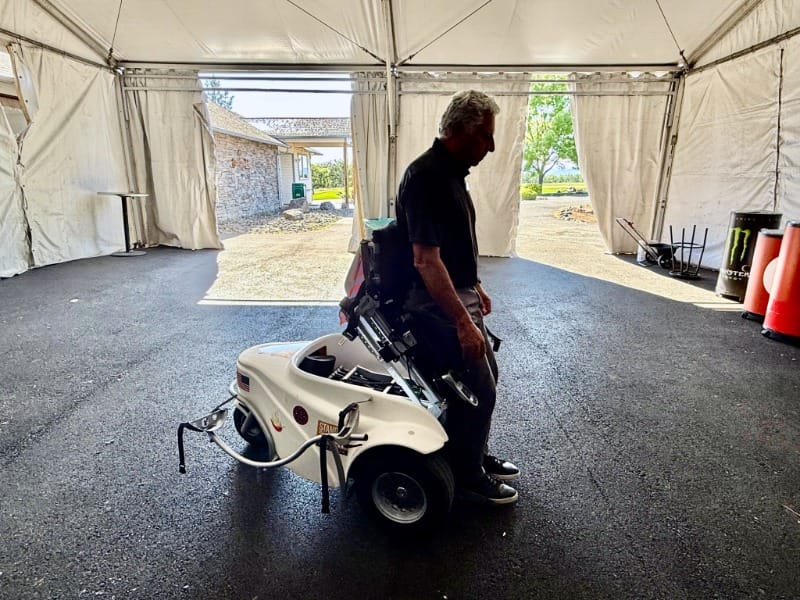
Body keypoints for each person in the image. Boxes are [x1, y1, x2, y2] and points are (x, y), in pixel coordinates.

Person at [395, 90, 520, 505]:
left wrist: (475, 284)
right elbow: (426, 261)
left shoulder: (450, 175)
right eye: (485, 136)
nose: (491, 146)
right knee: (479, 389)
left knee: (488, 380)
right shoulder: (426, 177)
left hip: (458, 293)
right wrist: (463, 322)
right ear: (461, 131)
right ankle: (468, 472)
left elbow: (451, 247)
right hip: (435, 305)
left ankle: (474, 456)